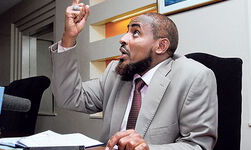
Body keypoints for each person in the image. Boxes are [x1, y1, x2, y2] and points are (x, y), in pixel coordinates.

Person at [50, 0, 218, 150]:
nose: (123, 38)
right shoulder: (115, 72)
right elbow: (69, 97)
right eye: (127, 31)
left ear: (161, 46)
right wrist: (69, 37)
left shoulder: (195, 77)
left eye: (135, 32)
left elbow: (197, 145)